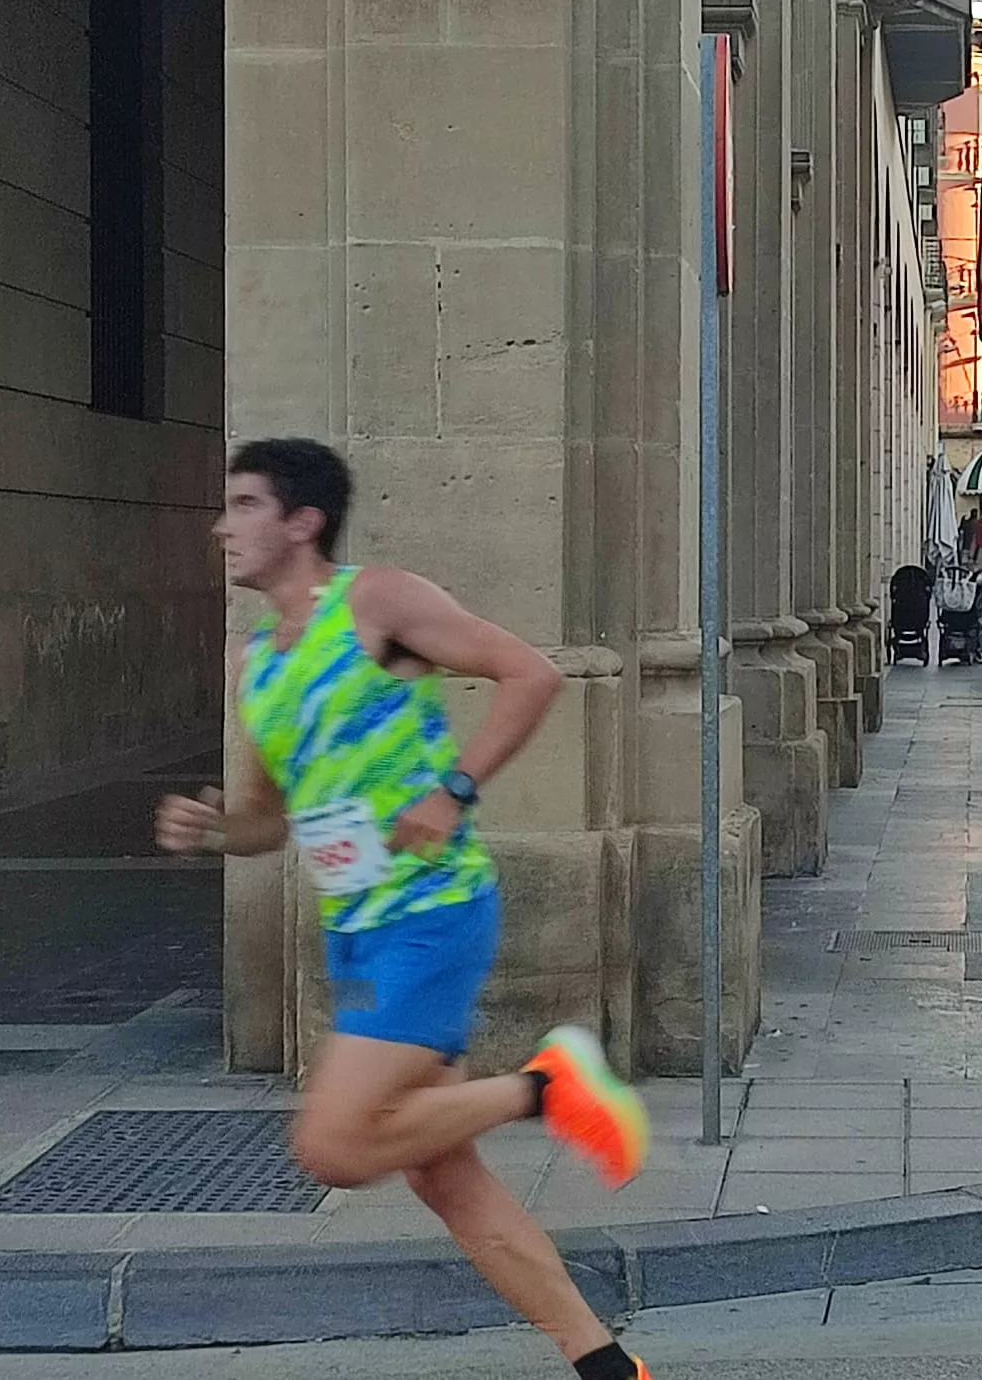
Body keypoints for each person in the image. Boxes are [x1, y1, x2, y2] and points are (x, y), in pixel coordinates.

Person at [157, 440, 655, 1380]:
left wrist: (455, 788)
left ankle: (551, 1087)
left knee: (335, 1145)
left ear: (302, 521)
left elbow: (531, 673)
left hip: (430, 912)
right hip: (356, 927)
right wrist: (214, 827)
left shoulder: (375, 602)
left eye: (244, 504)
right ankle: (603, 1364)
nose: (223, 526)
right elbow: (272, 821)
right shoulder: (256, 662)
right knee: (443, 1173)